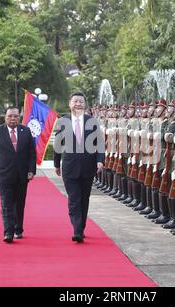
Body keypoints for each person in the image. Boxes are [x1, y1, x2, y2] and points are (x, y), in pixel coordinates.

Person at [53, 92, 105, 243]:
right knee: (74, 199)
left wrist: (100, 160)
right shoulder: (63, 121)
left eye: (81, 101)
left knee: (84, 199)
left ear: (85, 105)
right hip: (69, 167)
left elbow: (99, 144)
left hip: (88, 167)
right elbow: (57, 145)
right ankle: (77, 230)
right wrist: (57, 164)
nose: (78, 104)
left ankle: (80, 226)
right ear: (70, 104)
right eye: (75, 101)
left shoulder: (92, 122)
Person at [0, 106, 36, 243]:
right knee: (6, 203)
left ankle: (18, 228)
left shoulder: (26, 131)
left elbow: (32, 153)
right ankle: (8, 232)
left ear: (19, 117)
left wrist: (31, 170)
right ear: (5, 117)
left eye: (15, 116)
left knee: (19, 203)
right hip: (3, 175)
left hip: (22, 175)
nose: (13, 119)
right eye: (10, 116)